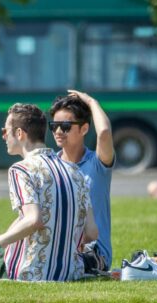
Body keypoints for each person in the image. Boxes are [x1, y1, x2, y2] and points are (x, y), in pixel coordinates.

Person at [0, 103, 98, 282]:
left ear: (19, 134)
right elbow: (91, 232)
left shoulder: (21, 169)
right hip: (69, 271)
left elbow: (33, 219)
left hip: (29, 271)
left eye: (5, 131)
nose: (4, 136)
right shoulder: (74, 171)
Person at [49, 90, 115, 271]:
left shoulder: (97, 164)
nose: (58, 131)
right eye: (54, 126)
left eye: (65, 126)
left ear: (84, 128)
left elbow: (104, 133)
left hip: (94, 255)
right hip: (58, 249)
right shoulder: (50, 165)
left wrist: (91, 101)